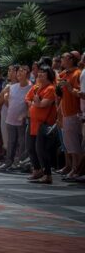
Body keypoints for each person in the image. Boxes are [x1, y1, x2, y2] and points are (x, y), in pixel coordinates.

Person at [25, 66, 58, 184]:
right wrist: (35, 102)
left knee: (41, 150)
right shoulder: (36, 87)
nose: (39, 74)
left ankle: (47, 175)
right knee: (30, 147)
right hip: (32, 122)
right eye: (39, 72)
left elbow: (43, 104)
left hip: (43, 124)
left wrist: (35, 102)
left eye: (43, 73)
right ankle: (37, 170)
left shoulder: (50, 88)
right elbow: (27, 99)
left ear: (49, 75)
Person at [57, 52, 82, 182]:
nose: (61, 59)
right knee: (69, 144)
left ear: (71, 60)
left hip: (74, 113)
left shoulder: (77, 74)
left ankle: (76, 169)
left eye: (64, 57)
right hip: (66, 113)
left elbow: (80, 93)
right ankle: (73, 168)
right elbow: (60, 96)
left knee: (74, 144)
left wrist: (69, 86)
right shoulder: (63, 75)